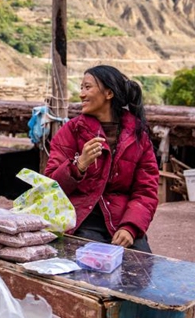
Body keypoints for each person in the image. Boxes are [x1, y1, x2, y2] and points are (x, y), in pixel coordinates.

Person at [45, 65, 159, 252]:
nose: (81, 94)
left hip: (122, 219)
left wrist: (130, 228)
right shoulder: (71, 131)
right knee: (89, 269)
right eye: (81, 88)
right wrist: (78, 165)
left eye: (87, 87)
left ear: (108, 93)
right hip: (82, 219)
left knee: (140, 267)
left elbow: (146, 191)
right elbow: (50, 187)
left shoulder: (138, 136)